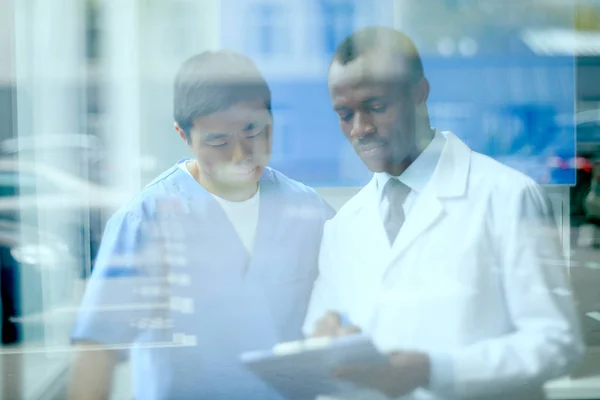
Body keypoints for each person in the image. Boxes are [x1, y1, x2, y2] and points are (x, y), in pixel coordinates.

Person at [303, 27, 583, 400]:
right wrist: (324, 343)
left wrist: (434, 370)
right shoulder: (343, 226)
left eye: (376, 107)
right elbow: (323, 337)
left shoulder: (507, 197)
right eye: (344, 113)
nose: (360, 129)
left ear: (419, 92)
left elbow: (555, 342)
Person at [68, 51, 334, 400]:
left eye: (253, 131)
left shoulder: (307, 209)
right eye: (218, 141)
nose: (241, 154)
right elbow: (97, 350)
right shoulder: (146, 220)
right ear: (184, 136)